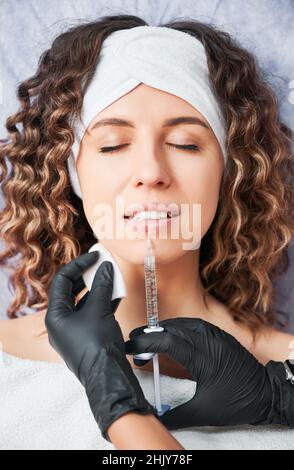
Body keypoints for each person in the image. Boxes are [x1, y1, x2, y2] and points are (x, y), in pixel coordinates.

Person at [0, 14, 293, 450]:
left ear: (228, 171)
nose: (151, 172)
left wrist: (276, 403)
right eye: (113, 144)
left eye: (185, 144)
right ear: (72, 172)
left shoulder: (283, 376)